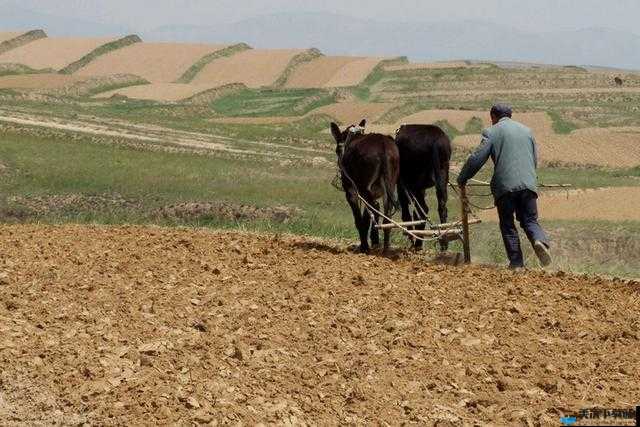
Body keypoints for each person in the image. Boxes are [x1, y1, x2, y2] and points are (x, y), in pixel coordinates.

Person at [457, 103, 552, 268]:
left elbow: (476, 159)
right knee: (530, 220)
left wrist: (462, 178)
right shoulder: (527, 131)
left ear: (493, 116)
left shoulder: (491, 132)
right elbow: (533, 159)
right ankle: (539, 240)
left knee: (508, 224)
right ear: (510, 115)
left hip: (505, 187)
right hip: (528, 183)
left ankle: (516, 263)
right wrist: (529, 178)